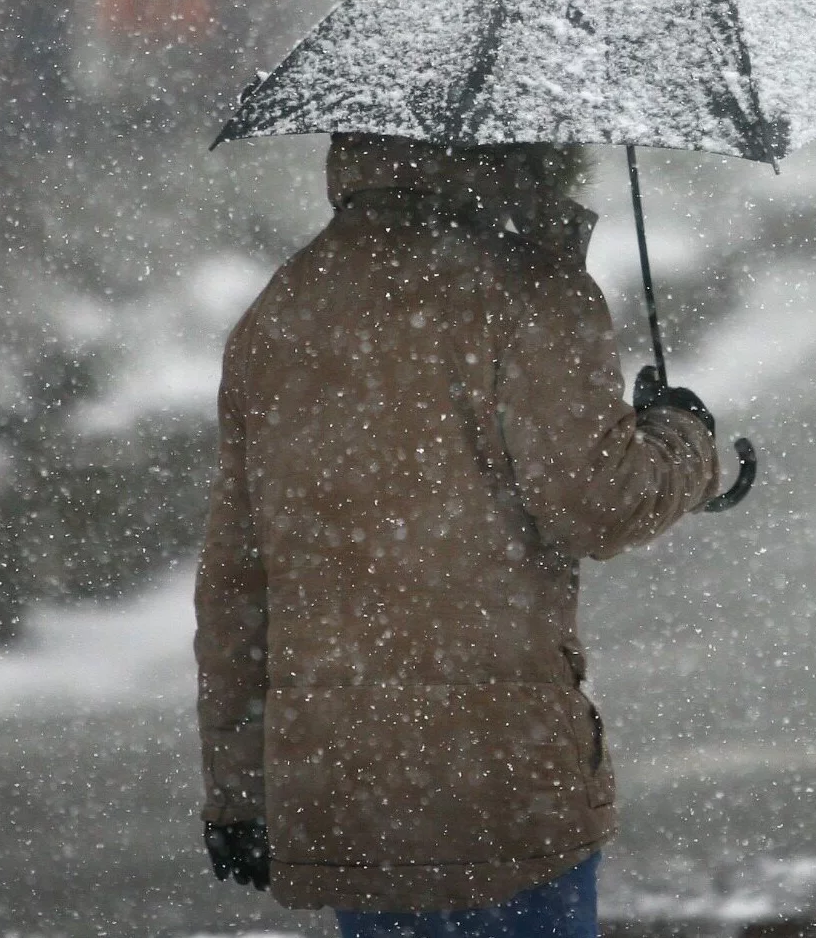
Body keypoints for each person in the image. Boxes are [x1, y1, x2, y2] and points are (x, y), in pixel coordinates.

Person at [196, 133, 722, 934]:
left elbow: (238, 583)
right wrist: (684, 440)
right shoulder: (530, 290)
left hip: (343, 782)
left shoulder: (284, 307)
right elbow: (601, 502)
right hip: (500, 781)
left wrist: (238, 790)